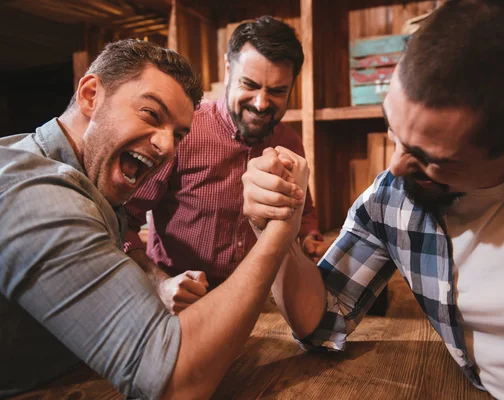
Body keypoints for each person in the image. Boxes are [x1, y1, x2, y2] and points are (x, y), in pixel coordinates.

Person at [241, 1, 504, 399]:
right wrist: (272, 225)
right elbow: (320, 320)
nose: (394, 167)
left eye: (431, 159)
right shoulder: (393, 198)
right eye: (392, 129)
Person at [0, 39, 308, 399]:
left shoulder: (91, 181)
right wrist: (280, 229)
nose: (167, 147)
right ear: (90, 95)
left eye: (179, 135)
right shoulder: (38, 193)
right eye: (150, 113)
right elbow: (175, 382)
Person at [124, 16, 326, 315]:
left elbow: (304, 211)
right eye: (250, 85)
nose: (261, 103)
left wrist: (310, 237)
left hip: (256, 303)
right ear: (228, 70)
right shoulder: (184, 131)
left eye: (277, 91)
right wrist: (159, 283)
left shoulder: (290, 141)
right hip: (181, 307)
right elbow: (123, 221)